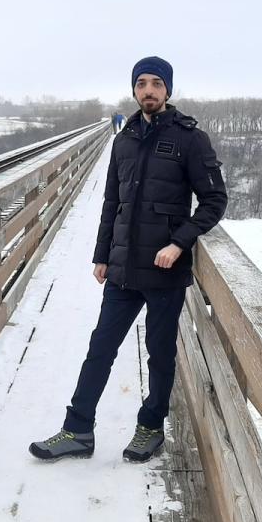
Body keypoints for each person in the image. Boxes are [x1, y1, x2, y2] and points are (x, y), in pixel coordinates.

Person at [29, 56, 228, 463]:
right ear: (134, 90)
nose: (148, 90)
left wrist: (180, 244)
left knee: (159, 354)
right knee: (100, 348)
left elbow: (214, 201)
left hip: (165, 269)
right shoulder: (124, 139)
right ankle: (78, 430)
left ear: (168, 90)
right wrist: (102, 255)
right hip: (122, 270)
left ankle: (150, 428)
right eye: (141, 83)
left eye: (156, 83)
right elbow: (111, 203)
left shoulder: (191, 139)